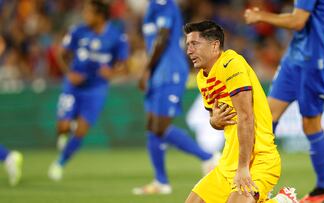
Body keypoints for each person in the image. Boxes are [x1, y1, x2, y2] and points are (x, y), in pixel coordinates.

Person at [244, 0, 324, 202]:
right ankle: (258, 182)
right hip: (294, 58)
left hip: (316, 62)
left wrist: (261, 16)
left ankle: (323, 188)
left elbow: (298, 21)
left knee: (311, 125)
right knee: (265, 118)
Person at [184, 20, 298, 203]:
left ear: (214, 45)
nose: (189, 50)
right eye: (188, 44)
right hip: (228, 164)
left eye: (195, 44)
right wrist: (214, 121)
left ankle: (283, 201)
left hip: (259, 161)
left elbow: (246, 116)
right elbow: (215, 120)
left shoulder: (231, 64)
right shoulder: (201, 77)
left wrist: (243, 168)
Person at [133, 0, 218, 195]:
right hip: (157, 73)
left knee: (159, 126)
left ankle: (208, 157)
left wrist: (146, 70)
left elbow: (163, 38)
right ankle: (161, 181)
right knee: (152, 127)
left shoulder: (165, 5)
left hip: (169, 72)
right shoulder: (152, 7)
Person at [48, 0, 129, 181]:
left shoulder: (116, 36)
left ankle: (60, 163)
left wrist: (112, 72)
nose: (85, 16)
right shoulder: (78, 31)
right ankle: (64, 131)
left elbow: (124, 66)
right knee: (63, 127)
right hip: (74, 86)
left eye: (89, 13)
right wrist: (69, 73)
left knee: (81, 131)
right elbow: (60, 52)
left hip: (96, 89)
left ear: (100, 16)